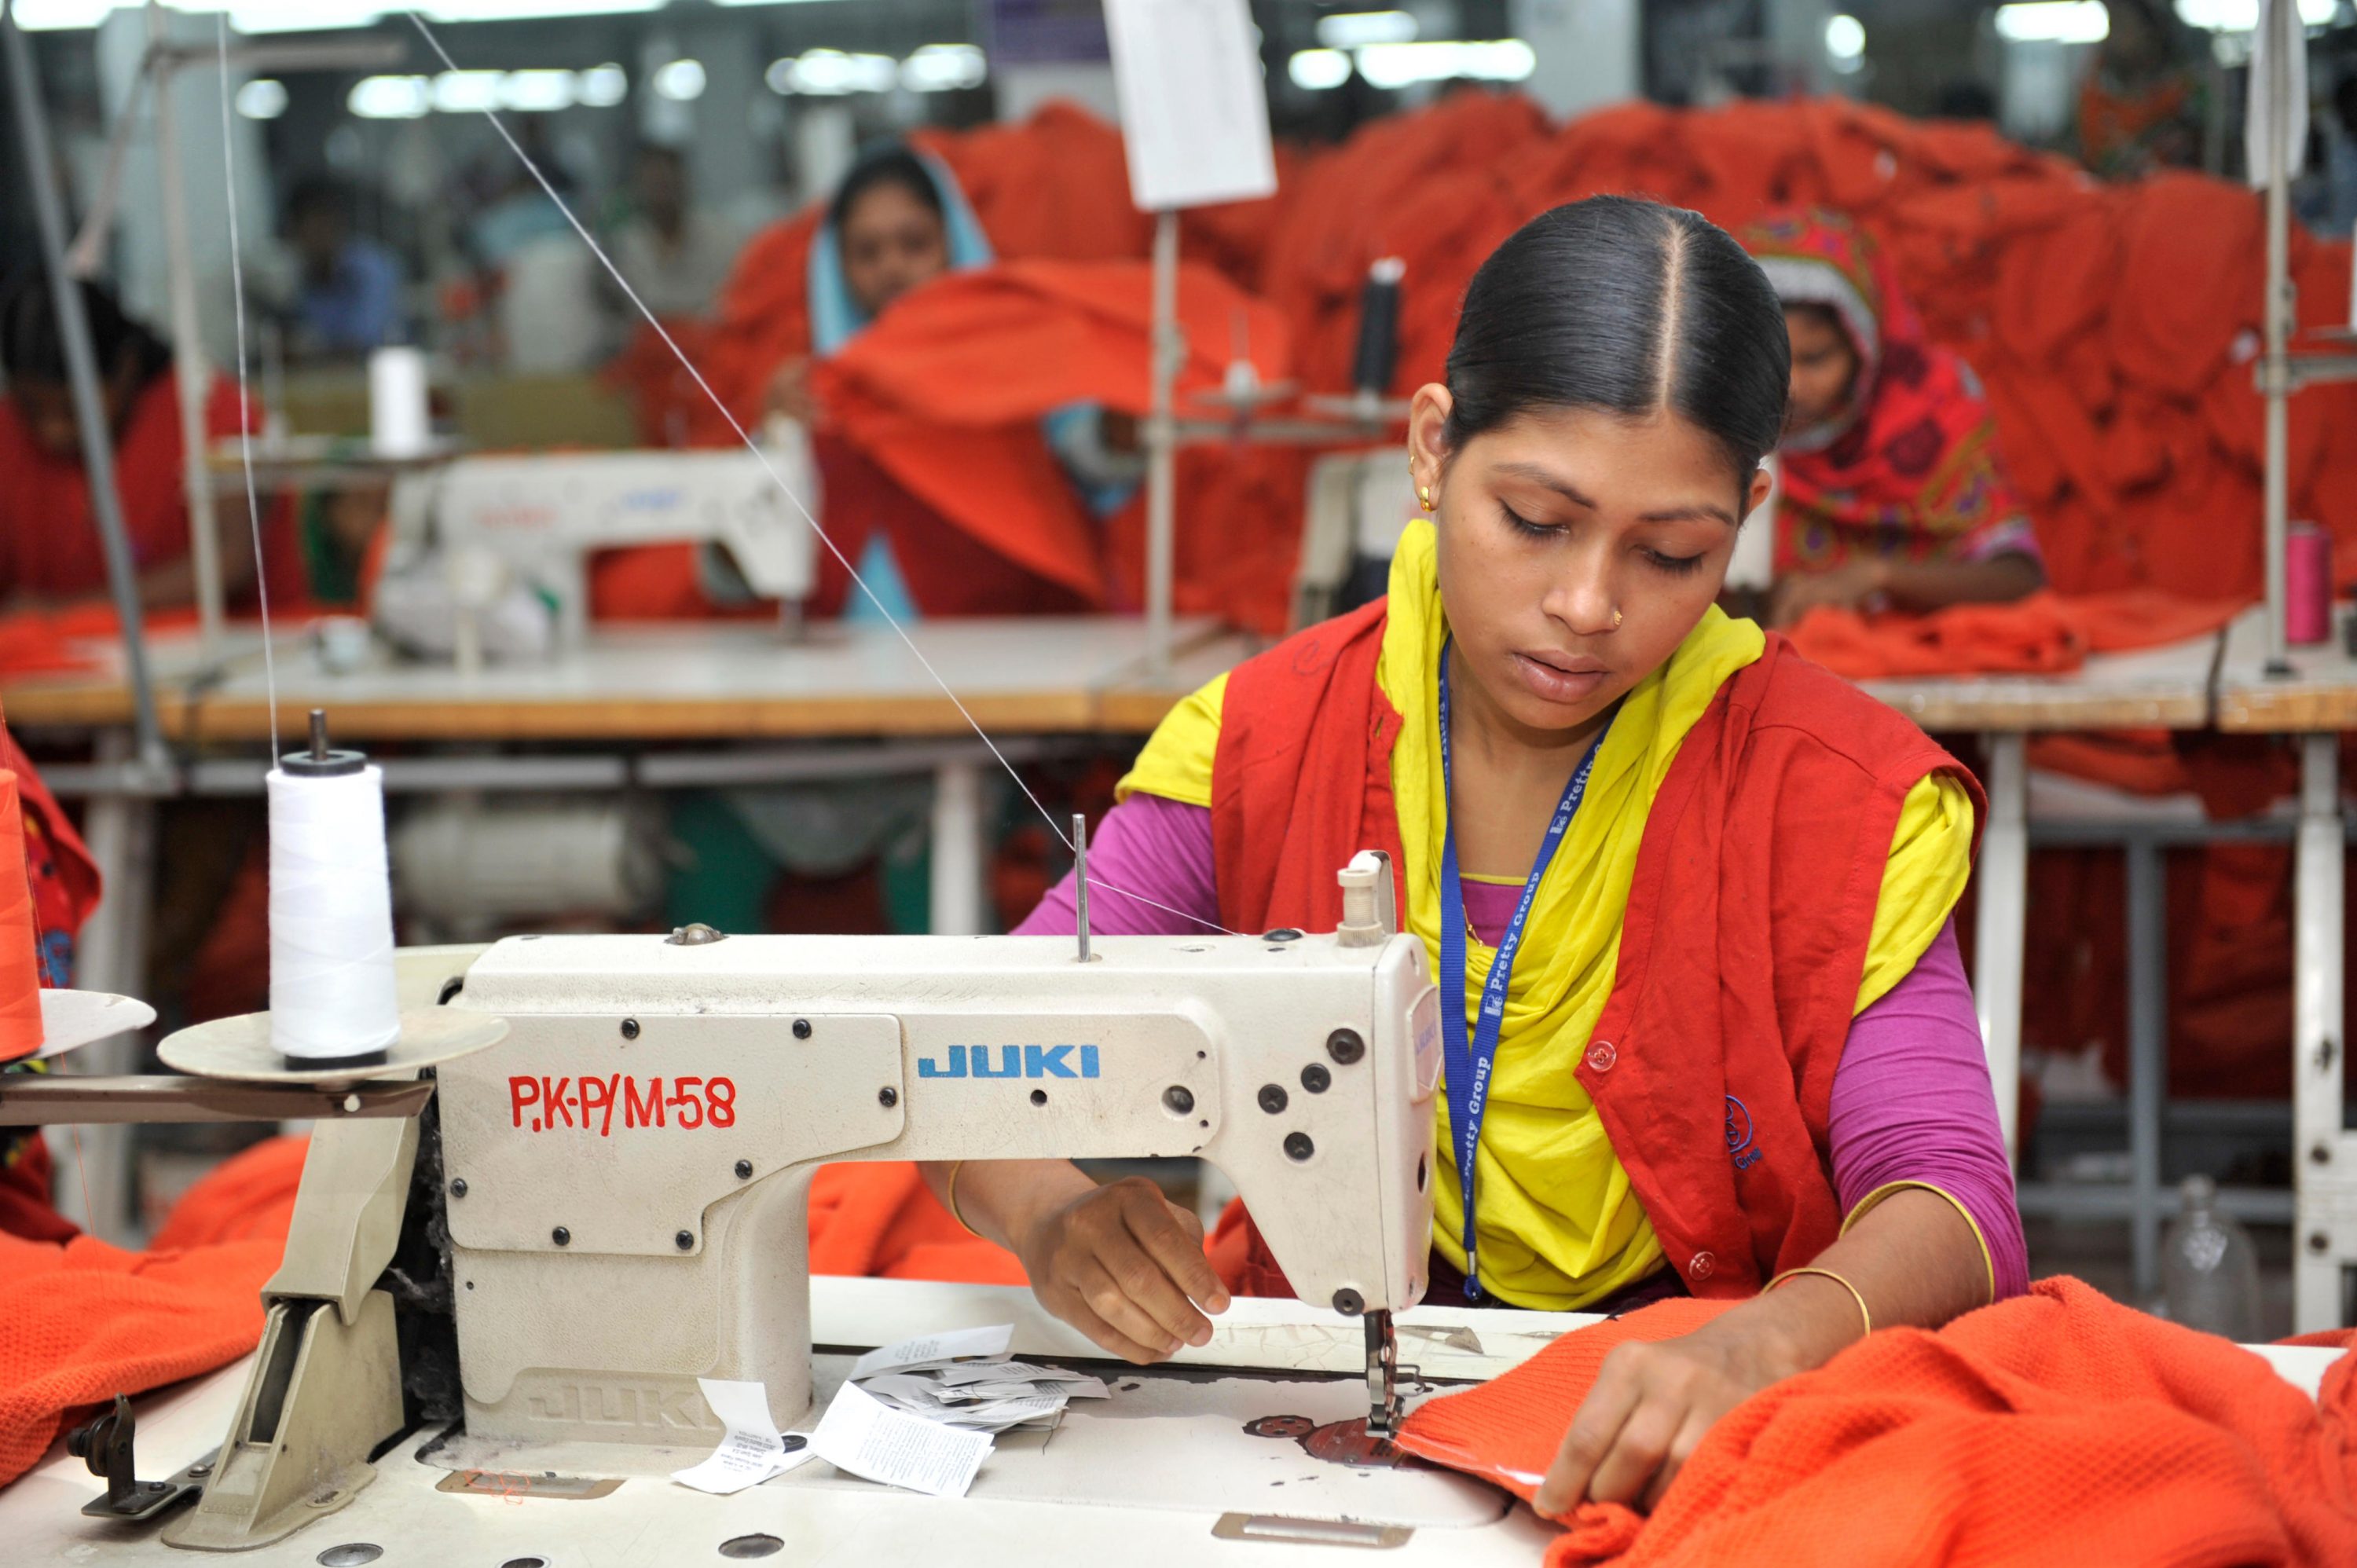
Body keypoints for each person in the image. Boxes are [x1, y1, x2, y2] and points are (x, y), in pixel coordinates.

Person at [922, 196, 2024, 1511]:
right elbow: (964, 1056)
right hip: (1333, 1373)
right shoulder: (1264, 745)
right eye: (1537, 521)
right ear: (1435, 449)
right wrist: (1052, 1215)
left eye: (1673, 554)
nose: (1588, 606)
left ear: (1751, 516)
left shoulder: (1837, 796)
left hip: (1692, 1425)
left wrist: (1769, 1335)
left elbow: (1955, 1199)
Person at [1743, 211, 2044, 629]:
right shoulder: (1718, 425)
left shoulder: (1931, 413)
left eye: (1816, 359)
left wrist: (1878, 576)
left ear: (1865, 346)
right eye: (1772, 360)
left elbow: (2019, 577)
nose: (1790, 386)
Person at [0, 272, 267, 613]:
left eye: (72, 408)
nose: (51, 429)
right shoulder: (8, 431)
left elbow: (231, 558)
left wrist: (64, 612)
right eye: (31, 408)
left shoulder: (209, 412)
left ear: (126, 368)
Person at [607, 145, 739, 326]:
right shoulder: (626, 245)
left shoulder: (720, 236)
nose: (661, 194)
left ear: (683, 183)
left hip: (709, 334)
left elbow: (729, 299)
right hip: (652, 338)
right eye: (653, 184)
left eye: (666, 183)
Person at [2076, 0, 2207, 180]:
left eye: (2123, 25)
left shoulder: (2185, 96)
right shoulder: (2095, 92)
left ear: (2152, 31)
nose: (2114, 38)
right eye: (2112, 26)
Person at [284, 178, 403, 358]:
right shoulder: (300, 277)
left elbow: (362, 343)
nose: (320, 236)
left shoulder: (371, 268)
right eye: (311, 228)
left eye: (324, 225)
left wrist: (307, 352)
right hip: (330, 381)